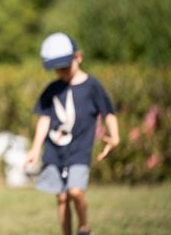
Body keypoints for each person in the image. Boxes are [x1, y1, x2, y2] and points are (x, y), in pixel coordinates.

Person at [24, 32, 120, 235]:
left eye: (65, 66)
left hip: (80, 150)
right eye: (57, 69)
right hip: (54, 151)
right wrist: (35, 148)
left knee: (75, 191)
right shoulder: (52, 89)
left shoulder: (92, 87)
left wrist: (115, 137)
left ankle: (84, 226)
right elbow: (44, 119)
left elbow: (108, 113)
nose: (62, 72)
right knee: (61, 197)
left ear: (79, 57)